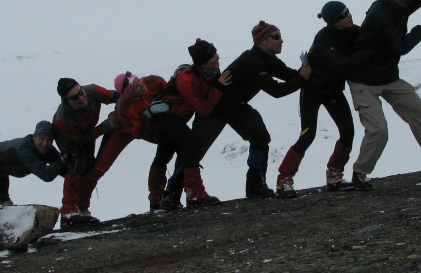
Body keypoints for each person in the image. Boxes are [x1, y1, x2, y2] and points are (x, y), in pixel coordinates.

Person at [169, 21, 312, 199]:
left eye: (280, 36)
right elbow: (277, 91)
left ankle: (255, 186)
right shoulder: (252, 60)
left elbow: (291, 75)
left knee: (260, 137)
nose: (281, 41)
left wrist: (310, 62)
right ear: (262, 41)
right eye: (276, 37)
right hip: (217, 108)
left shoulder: (267, 58)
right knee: (193, 151)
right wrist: (302, 79)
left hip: (236, 106)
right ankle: (171, 196)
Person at [346, 0, 421, 191]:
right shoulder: (381, 14)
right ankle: (359, 175)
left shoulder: (401, 3)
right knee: (378, 129)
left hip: (388, 77)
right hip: (363, 80)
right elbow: (401, 46)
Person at [276, 1, 371, 195]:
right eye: (344, 15)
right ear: (334, 22)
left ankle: (334, 175)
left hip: (333, 90)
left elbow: (366, 43)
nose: (349, 16)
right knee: (308, 134)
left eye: (348, 11)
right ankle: (284, 180)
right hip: (313, 89)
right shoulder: (323, 38)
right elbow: (343, 65)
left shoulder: (354, 31)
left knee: (348, 132)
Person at [148, 39, 231, 211]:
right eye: (212, 56)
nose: (217, 57)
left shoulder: (212, 71)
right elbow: (204, 109)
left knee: (164, 154)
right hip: (166, 117)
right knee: (189, 145)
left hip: (174, 116)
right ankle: (195, 194)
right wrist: (219, 87)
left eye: (215, 53)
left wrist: (217, 85)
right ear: (202, 62)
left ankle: (161, 199)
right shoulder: (187, 80)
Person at [53, 78, 122, 226]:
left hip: (87, 130)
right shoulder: (64, 118)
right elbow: (78, 139)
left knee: (89, 165)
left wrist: (129, 100)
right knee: (78, 161)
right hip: (69, 137)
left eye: (80, 92)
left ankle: (82, 208)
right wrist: (104, 128)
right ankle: (68, 209)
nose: (81, 97)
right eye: (74, 97)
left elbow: (115, 96)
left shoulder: (93, 91)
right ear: (66, 101)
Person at [0, 120, 68, 204]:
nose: (45, 143)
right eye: (41, 139)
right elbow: (46, 175)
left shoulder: (47, 150)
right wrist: (61, 160)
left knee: (4, 201)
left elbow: (63, 169)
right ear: (34, 137)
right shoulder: (24, 149)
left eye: (49, 140)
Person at [110, 71, 168, 210]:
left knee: (166, 154)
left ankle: (160, 196)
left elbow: (169, 90)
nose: (141, 85)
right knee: (165, 154)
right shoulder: (127, 109)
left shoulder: (153, 81)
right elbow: (139, 133)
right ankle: (158, 196)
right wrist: (148, 115)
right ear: (130, 94)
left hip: (166, 122)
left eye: (138, 81)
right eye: (135, 86)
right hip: (153, 131)